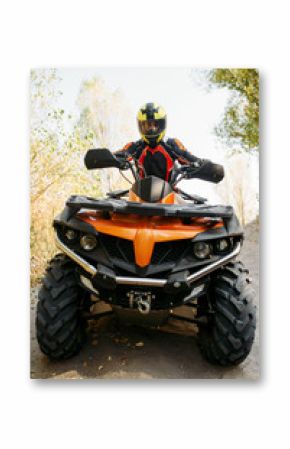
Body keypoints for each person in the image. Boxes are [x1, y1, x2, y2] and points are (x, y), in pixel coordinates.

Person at [114, 102, 224, 183]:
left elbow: (190, 158)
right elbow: (118, 155)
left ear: (162, 124)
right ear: (141, 126)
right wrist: (107, 159)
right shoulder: (135, 146)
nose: (151, 129)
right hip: (139, 194)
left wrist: (207, 167)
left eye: (155, 124)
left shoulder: (172, 144)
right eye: (147, 125)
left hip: (170, 194)